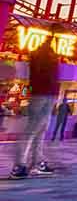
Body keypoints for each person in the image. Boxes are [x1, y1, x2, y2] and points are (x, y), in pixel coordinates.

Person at [10, 27, 62, 179]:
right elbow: (41, 74)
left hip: (46, 93)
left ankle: (36, 162)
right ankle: (20, 164)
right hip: (42, 93)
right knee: (33, 129)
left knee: (40, 129)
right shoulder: (43, 53)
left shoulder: (47, 52)